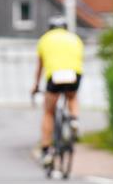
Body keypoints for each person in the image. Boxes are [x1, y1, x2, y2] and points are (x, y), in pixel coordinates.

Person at [32, 15, 84, 167]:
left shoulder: (44, 40)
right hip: (74, 73)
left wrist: (35, 86)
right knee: (72, 97)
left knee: (48, 112)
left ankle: (46, 149)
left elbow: (39, 68)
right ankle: (74, 119)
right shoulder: (75, 38)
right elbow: (79, 60)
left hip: (54, 75)